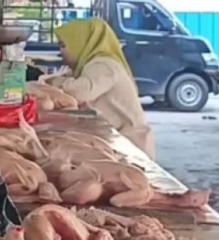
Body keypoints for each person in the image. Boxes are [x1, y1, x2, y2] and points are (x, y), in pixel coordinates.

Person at [48, 18, 156, 158]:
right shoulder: (91, 65)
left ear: (82, 42)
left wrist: (54, 80)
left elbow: (79, 92)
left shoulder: (104, 65)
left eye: (64, 46)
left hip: (130, 143)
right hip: (117, 140)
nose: (61, 52)